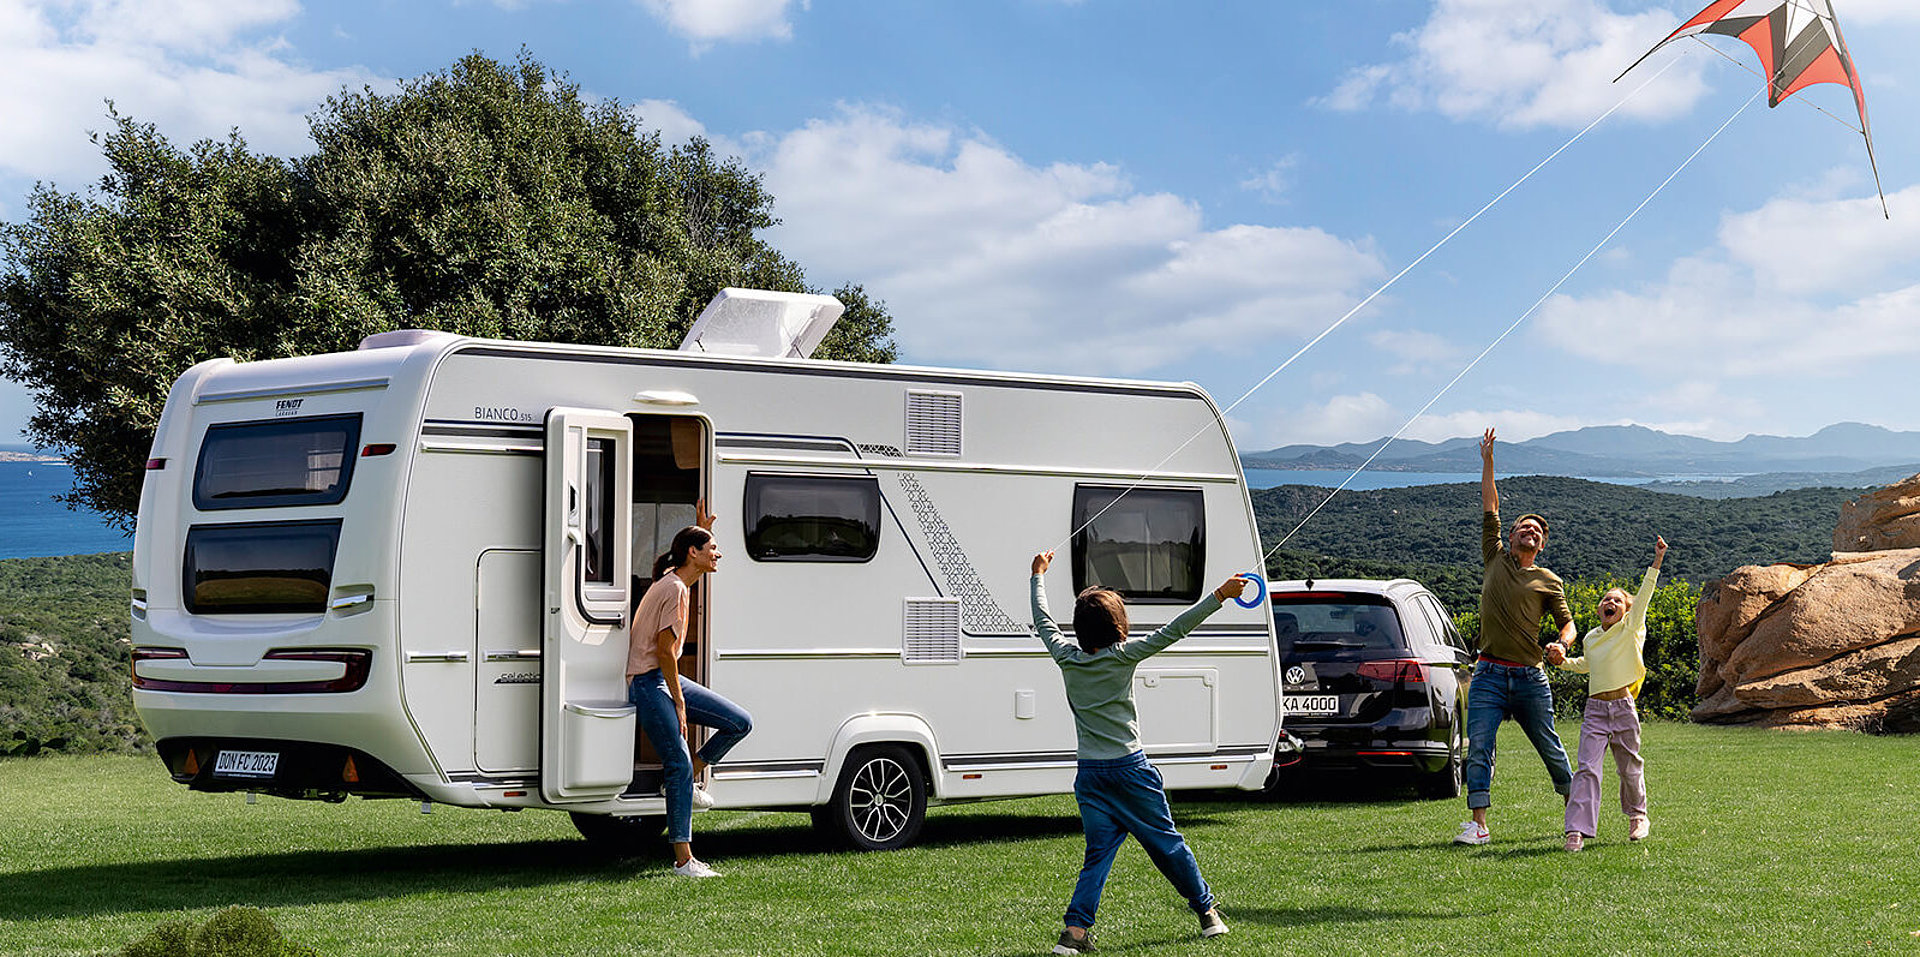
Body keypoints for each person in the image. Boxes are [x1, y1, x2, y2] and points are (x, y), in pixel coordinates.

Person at [1030, 550, 1246, 955]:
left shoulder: (1066, 658)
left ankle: (1074, 934)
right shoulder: (1124, 656)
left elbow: (1043, 621)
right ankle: (1208, 914)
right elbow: (1175, 630)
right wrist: (1220, 594)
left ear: (1080, 629)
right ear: (1118, 627)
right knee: (1167, 843)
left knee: (1097, 857)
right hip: (1130, 771)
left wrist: (1037, 576)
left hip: (1090, 776)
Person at [1454, 426, 1576, 846]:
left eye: (1537, 531)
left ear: (1541, 545)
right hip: (1487, 673)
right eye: (1525, 527)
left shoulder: (1549, 580)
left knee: (1550, 747)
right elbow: (1490, 504)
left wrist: (1562, 643)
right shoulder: (1494, 557)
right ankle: (1479, 825)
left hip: (1529, 677)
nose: (1531, 531)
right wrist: (1488, 461)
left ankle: (1576, 815)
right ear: (1510, 536)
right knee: (1480, 747)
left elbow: (1568, 623)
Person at [627, 505, 753, 877]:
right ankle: (684, 860)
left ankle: (684, 779)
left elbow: (688, 559)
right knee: (677, 760)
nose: (718, 553)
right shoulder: (675, 589)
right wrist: (679, 702)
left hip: (662, 680)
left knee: (739, 722)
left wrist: (700, 530)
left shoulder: (675, 579)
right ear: (692, 553)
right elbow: (665, 652)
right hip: (649, 683)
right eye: (711, 547)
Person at [1555, 535, 1667, 851]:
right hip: (1594, 710)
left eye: (1618, 600)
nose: (1611, 602)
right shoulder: (1591, 637)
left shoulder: (1631, 628)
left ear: (1627, 611)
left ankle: (1638, 817)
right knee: (1587, 769)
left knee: (1629, 766)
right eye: (1606, 599)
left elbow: (1644, 595)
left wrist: (1656, 561)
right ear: (1600, 607)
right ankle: (1576, 830)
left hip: (1622, 706)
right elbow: (1585, 664)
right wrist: (1561, 661)